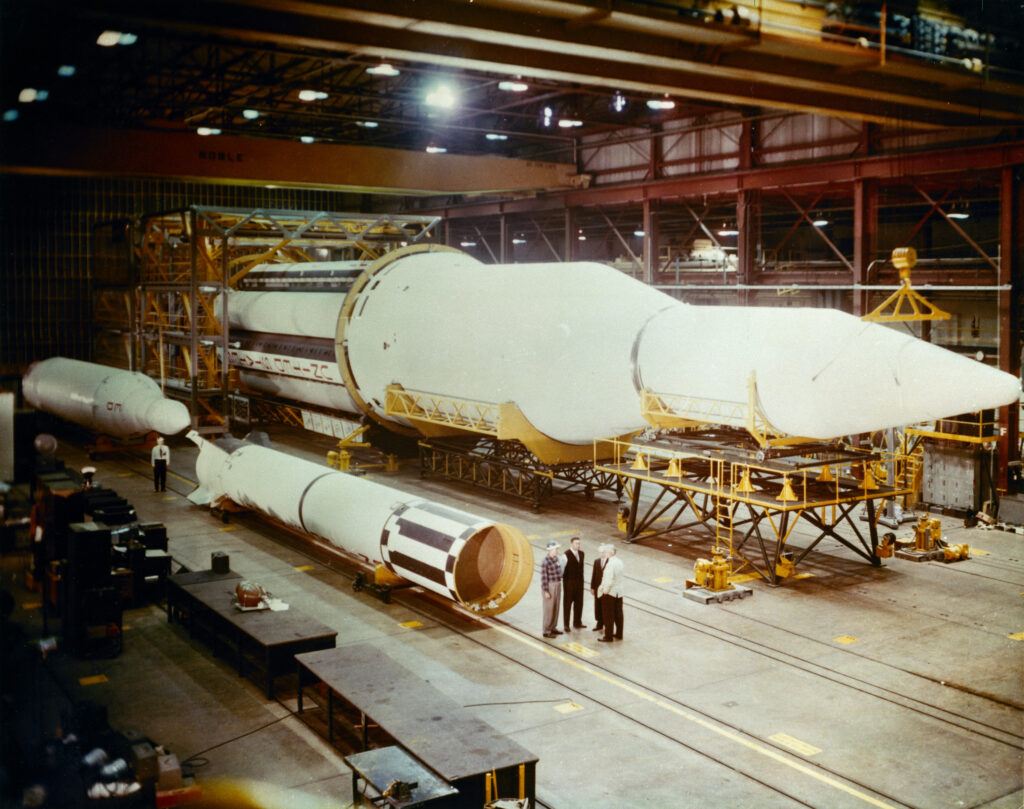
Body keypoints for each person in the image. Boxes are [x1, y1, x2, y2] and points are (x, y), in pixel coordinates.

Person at [596, 544, 624, 643]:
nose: (605, 553)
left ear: (611, 552)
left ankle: (608, 636)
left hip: (610, 593)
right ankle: (619, 634)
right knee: (618, 614)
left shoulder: (610, 564)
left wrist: (605, 592)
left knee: (608, 615)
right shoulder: (619, 562)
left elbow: (608, 580)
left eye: (606, 551)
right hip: (619, 592)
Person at [561, 536, 586, 631]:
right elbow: (562, 571)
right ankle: (566, 625)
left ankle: (577, 622)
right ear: (571, 544)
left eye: (579, 543)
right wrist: (566, 584)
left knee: (579, 603)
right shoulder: (565, 555)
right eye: (576, 543)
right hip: (569, 584)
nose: (578, 545)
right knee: (567, 604)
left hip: (579, 583)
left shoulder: (582, 554)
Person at [540, 540, 562, 639]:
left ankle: (553, 627)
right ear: (550, 550)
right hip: (550, 586)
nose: (557, 551)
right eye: (555, 549)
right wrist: (546, 591)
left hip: (557, 584)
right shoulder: (545, 561)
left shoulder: (556, 559)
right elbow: (544, 578)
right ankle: (546, 630)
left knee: (556, 607)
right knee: (549, 609)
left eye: (557, 549)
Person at [590, 543, 606, 633]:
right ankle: (599, 623)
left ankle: (605, 623)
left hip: (605, 588)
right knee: (598, 606)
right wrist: (592, 587)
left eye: (603, 552)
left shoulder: (608, 562)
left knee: (605, 606)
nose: (602, 554)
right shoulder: (596, 561)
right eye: (600, 552)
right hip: (597, 587)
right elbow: (594, 574)